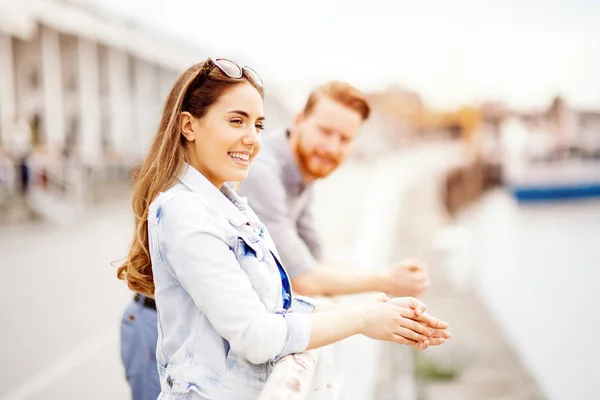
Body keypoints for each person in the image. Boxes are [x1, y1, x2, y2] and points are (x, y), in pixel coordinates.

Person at [117, 58, 451, 400]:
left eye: (258, 125)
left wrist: (376, 311)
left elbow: (281, 295)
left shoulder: (230, 204)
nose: (251, 139)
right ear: (189, 126)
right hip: (167, 333)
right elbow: (260, 329)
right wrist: (364, 315)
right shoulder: (188, 210)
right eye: (236, 121)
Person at [237, 81, 430, 297]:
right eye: (325, 132)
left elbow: (315, 258)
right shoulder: (262, 170)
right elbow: (303, 279)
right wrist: (386, 281)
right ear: (299, 121)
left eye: (345, 139)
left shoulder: (303, 171)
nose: (332, 148)